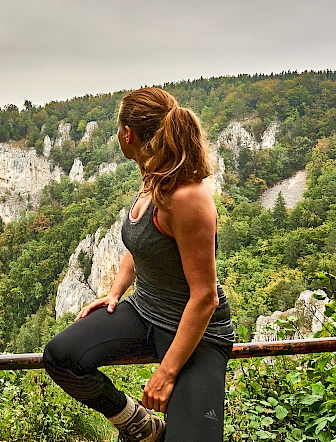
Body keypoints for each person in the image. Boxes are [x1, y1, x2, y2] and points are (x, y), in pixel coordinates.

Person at [43, 87, 235, 442]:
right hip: (145, 311)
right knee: (61, 356)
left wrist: (167, 372)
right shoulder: (154, 179)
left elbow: (205, 297)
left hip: (195, 331)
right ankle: (137, 425)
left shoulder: (186, 196)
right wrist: (115, 292)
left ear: (127, 134)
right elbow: (140, 247)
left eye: (117, 129)